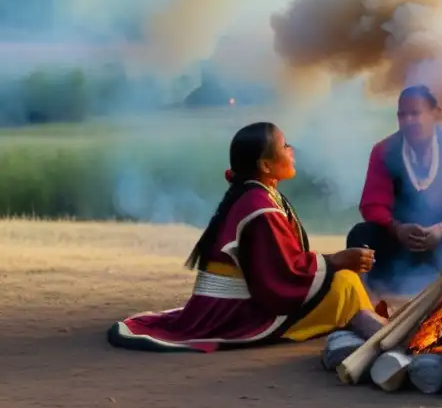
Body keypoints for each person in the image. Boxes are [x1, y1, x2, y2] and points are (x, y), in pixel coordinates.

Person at [108, 122, 383, 352]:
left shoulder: (256, 194)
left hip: (235, 303)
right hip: (238, 312)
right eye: (285, 146)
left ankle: (369, 324)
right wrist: (335, 260)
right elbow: (282, 277)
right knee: (344, 283)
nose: (291, 150)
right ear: (265, 165)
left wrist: (333, 263)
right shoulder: (258, 206)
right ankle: (381, 335)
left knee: (345, 281)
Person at [347, 85, 442, 295]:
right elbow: (372, 204)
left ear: (436, 114)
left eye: (415, 114)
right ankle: (365, 300)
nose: (408, 121)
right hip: (401, 242)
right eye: (402, 115)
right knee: (361, 234)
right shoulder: (385, 150)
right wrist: (397, 229)